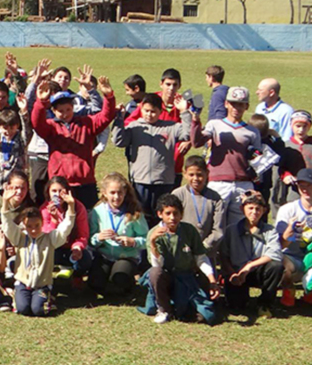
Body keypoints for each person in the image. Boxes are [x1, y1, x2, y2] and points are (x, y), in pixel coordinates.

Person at [31, 73, 117, 209]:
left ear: (73, 108)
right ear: (53, 111)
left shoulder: (87, 123)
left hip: (85, 183)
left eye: (68, 109)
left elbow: (106, 117)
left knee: (87, 219)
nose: (65, 114)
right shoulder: (51, 128)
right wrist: (40, 102)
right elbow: (36, 123)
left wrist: (109, 97)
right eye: (60, 111)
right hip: (60, 185)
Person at [190, 86, 263, 229]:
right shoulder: (215, 125)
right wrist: (195, 120)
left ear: (246, 106)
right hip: (219, 182)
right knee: (214, 224)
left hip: (243, 183)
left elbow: (258, 161)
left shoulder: (252, 132)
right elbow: (196, 142)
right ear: (226, 104)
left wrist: (254, 156)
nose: (236, 108)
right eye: (233, 103)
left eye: (241, 104)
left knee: (240, 227)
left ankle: (235, 252)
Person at [112, 92, 192, 221]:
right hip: (140, 181)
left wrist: (184, 111)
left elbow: (188, 134)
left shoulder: (171, 127)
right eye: (146, 111)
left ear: (160, 111)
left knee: (163, 217)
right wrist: (119, 119)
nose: (149, 114)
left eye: (153, 111)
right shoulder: (135, 126)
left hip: (164, 181)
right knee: (140, 217)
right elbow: (118, 141)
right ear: (141, 109)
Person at [0, 182, 75, 316]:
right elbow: (7, 225)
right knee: (22, 310)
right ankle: (15, 294)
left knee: (38, 310)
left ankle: (48, 297)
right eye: (29, 226)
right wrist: (5, 203)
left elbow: (65, 228)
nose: (33, 229)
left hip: (42, 285)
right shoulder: (19, 237)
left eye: (37, 225)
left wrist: (71, 206)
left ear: (42, 223)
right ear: (24, 225)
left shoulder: (50, 238)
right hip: (23, 284)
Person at [145, 194, 220, 325]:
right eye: (167, 213)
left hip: (186, 278)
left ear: (181, 214)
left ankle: (185, 307)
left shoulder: (189, 230)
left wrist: (212, 280)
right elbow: (157, 265)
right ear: (159, 214)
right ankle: (164, 309)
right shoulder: (154, 233)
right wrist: (152, 243)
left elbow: (200, 258)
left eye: (176, 213)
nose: (172, 218)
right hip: (166, 278)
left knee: (205, 316)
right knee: (155, 273)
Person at [219, 192, 284, 316]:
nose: (254, 212)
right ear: (242, 209)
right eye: (250, 208)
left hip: (258, 271)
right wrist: (232, 273)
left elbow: (274, 254)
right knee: (237, 307)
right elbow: (224, 256)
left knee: (276, 266)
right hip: (237, 272)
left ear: (264, 211)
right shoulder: (231, 230)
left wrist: (249, 266)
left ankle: (265, 303)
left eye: (258, 209)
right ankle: (238, 298)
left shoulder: (270, 230)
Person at [87, 173, 147, 296]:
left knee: (120, 279)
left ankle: (127, 281)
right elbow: (90, 240)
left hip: (126, 256)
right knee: (95, 284)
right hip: (104, 256)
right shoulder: (97, 212)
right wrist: (98, 237)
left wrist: (133, 241)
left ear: (125, 192)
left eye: (120, 193)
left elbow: (147, 239)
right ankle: (108, 278)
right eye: (112, 193)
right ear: (104, 193)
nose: (117, 197)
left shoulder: (134, 213)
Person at [274, 167, 312, 307]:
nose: (305, 189)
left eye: (309, 185)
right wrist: (288, 234)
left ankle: (311, 290)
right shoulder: (287, 210)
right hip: (292, 259)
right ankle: (288, 289)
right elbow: (279, 246)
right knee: (276, 261)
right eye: (301, 185)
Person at [170, 156, 226, 262]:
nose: (195, 178)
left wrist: (201, 248)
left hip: (206, 254)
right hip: (181, 252)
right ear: (184, 174)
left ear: (207, 174)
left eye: (199, 175)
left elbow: (218, 231)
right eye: (191, 175)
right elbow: (171, 223)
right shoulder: (177, 195)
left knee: (209, 277)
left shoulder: (215, 199)